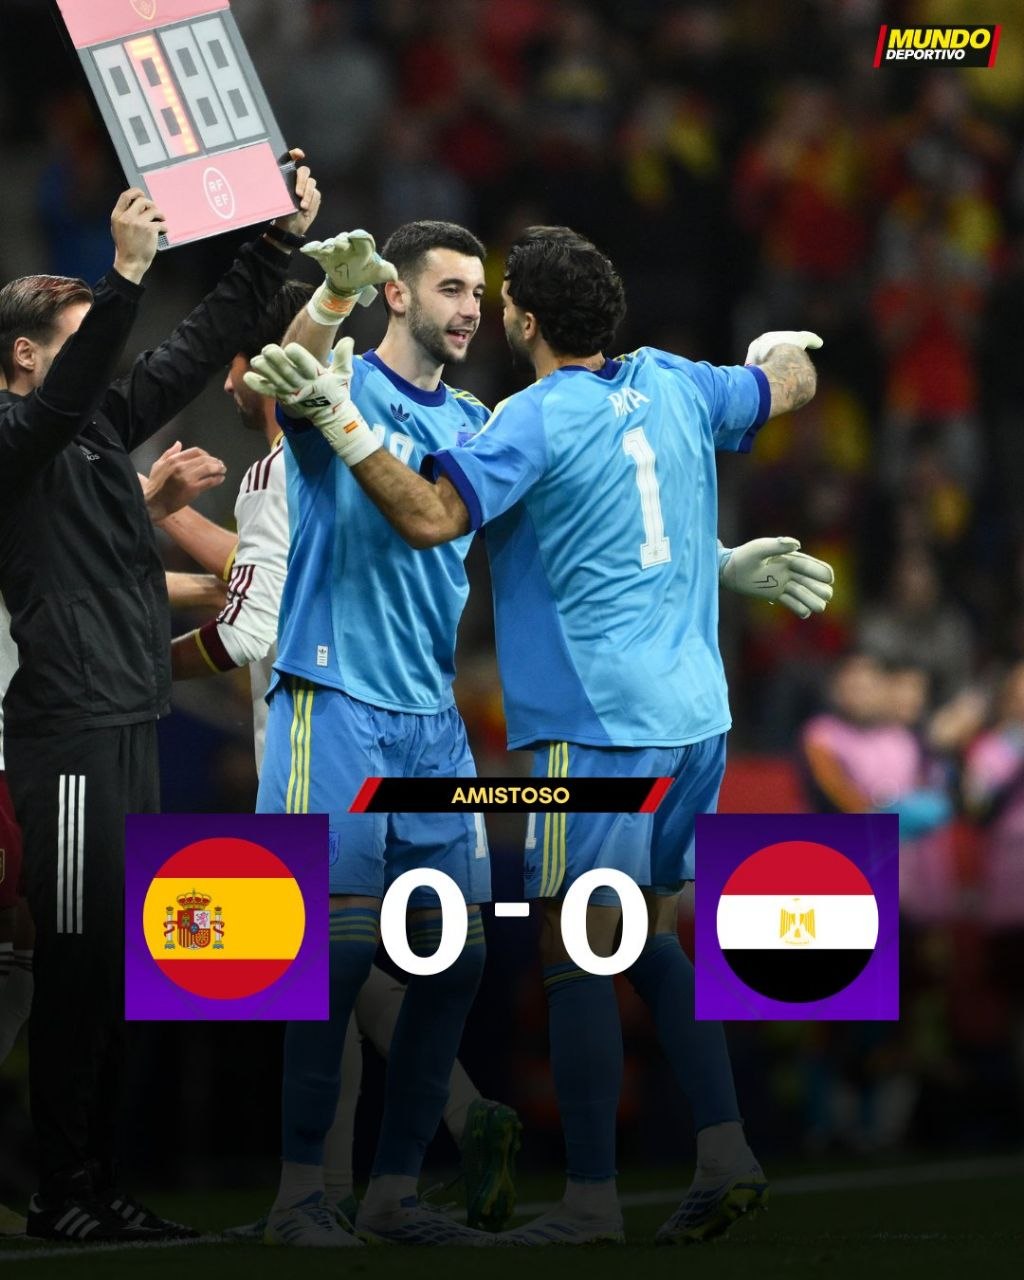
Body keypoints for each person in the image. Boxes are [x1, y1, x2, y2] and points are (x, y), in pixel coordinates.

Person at [247, 225, 828, 1245]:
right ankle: (302, 1192)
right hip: (338, 695)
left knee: (473, 957)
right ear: (397, 294)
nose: (471, 307)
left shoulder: (496, 418)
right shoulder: (351, 383)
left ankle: (404, 1193)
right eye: (450, 288)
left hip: (472, 718)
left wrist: (716, 556)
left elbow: (492, 510)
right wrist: (328, 305)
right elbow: (291, 379)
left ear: (520, 316)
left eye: (482, 291)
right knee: (346, 951)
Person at [0, 157, 320, 1243]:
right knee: (76, 959)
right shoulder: (13, 436)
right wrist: (126, 277)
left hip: (126, 717)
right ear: (24, 355)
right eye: (79, 339)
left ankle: (93, 1183)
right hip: (69, 732)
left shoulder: (88, 429)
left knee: (112, 965)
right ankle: (60, 1189)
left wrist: (273, 246)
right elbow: (78, 393)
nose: (102, 356)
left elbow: (188, 350)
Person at [162, 276, 523, 1238]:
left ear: (254, 369)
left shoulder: (280, 467)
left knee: (327, 959)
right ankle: (420, 1144)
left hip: (313, 728)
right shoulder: (330, 463)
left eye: (235, 364)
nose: (228, 383)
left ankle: (315, 1191)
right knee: (360, 964)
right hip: (401, 719)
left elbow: (249, 621)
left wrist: (139, 668)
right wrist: (162, 516)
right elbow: (261, 568)